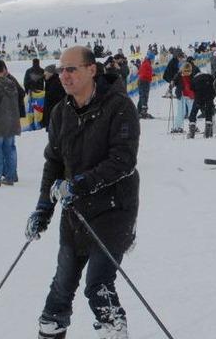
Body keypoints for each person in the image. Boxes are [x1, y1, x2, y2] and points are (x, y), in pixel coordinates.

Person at [24, 46, 140, 339]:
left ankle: (114, 330)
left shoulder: (119, 106)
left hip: (114, 208)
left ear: (92, 70)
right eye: (62, 69)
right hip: (76, 211)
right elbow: (54, 163)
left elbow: (123, 161)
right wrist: (42, 210)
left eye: (71, 69)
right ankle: (51, 330)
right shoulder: (61, 112)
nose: (64, 75)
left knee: (97, 285)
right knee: (62, 286)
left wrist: (78, 185)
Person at [188, 70, 216, 138]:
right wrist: (212, 97)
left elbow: (191, 88)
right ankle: (208, 132)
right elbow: (215, 86)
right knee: (209, 112)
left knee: (193, 112)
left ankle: (192, 129)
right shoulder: (210, 77)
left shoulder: (195, 78)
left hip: (198, 96)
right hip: (208, 96)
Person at [170, 63, 196, 134]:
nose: (187, 73)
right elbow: (173, 81)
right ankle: (177, 127)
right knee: (182, 111)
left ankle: (192, 125)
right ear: (182, 70)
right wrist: (171, 85)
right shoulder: (179, 75)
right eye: (186, 71)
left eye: (189, 71)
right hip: (181, 95)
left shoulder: (192, 76)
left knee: (192, 111)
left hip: (190, 96)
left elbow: (195, 83)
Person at [42, 64, 65, 130]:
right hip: (51, 114)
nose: (44, 74)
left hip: (55, 114)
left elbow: (52, 97)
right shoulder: (50, 81)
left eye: (45, 72)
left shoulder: (56, 82)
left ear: (50, 73)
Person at [136, 53, 154, 119]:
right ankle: (143, 110)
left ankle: (139, 111)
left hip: (143, 80)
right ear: (151, 59)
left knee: (142, 96)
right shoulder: (147, 64)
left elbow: (141, 72)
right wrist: (150, 75)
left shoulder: (145, 63)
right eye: (153, 60)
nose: (153, 61)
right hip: (144, 81)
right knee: (144, 95)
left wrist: (151, 74)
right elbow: (144, 73)